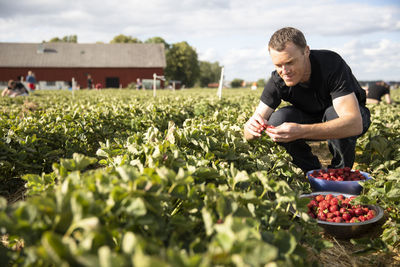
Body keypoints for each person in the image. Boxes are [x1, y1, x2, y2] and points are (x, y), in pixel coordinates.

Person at [244, 27, 371, 173]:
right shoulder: (277, 80)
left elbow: (354, 125)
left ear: (306, 51)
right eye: (278, 65)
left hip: (354, 118)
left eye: (290, 62)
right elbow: (249, 132)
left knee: (333, 113)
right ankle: (312, 171)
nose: (284, 71)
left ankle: (341, 172)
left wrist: (300, 131)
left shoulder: (330, 64)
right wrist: (250, 129)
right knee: (278, 119)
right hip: (312, 119)